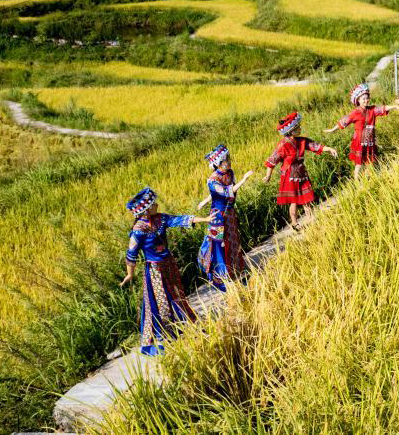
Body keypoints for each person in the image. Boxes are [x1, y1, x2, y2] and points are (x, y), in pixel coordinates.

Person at [119, 187, 209, 356]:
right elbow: (131, 254)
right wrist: (129, 274)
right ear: (145, 211)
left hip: (169, 265)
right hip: (155, 270)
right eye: (153, 205)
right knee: (160, 302)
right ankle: (162, 336)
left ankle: (184, 325)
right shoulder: (138, 231)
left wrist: (205, 219)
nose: (157, 206)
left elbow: (180, 220)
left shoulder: (160, 219)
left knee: (177, 295)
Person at [262, 111, 338, 231]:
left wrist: (329, 149)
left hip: (302, 173)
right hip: (289, 176)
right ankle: (294, 223)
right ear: (291, 131)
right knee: (294, 201)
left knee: (307, 198)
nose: (300, 128)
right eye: (298, 127)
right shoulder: (283, 145)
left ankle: (311, 219)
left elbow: (316, 146)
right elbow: (272, 160)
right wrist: (268, 176)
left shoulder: (302, 141)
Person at [197, 145, 253, 292]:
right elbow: (227, 192)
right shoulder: (212, 179)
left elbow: (220, 192)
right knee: (220, 246)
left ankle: (238, 272)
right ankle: (222, 277)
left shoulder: (230, 173)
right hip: (218, 217)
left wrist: (204, 201)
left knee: (234, 242)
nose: (229, 161)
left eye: (228, 158)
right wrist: (244, 179)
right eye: (225, 160)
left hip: (230, 214)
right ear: (218, 163)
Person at [326, 83, 399, 176]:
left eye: (367, 98)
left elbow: (383, 108)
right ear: (358, 100)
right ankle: (356, 180)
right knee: (359, 163)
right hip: (359, 141)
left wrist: (394, 106)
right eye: (363, 99)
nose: (366, 100)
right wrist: (332, 130)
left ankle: (367, 178)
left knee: (369, 161)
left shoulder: (372, 110)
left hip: (370, 140)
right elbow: (344, 121)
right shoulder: (355, 113)